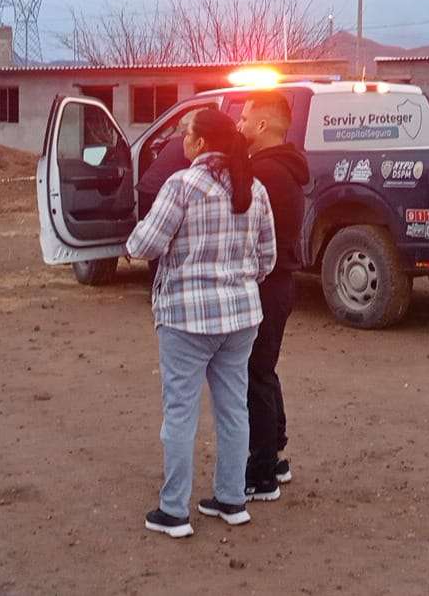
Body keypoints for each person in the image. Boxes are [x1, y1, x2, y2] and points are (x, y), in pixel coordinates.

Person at [126, 108, 276, 538]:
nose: (183, 141)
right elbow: (267, 259)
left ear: (201, 143)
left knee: (180, 412)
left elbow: (144, 244)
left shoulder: (183, 185)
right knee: (233, 409)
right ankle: (231, 499)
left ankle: (174, 511)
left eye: (187, 134)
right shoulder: (255, 188)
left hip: (187, 319)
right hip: (242, 317)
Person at [236, 92, 309, 501]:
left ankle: (261, 473)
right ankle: (276, 456)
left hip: (266, 282)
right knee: (264, 368)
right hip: (278, 284)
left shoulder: (263, 173)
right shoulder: (285, 166)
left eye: (245, 118)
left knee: (254, 375)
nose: (240, 125)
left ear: (263, 125)